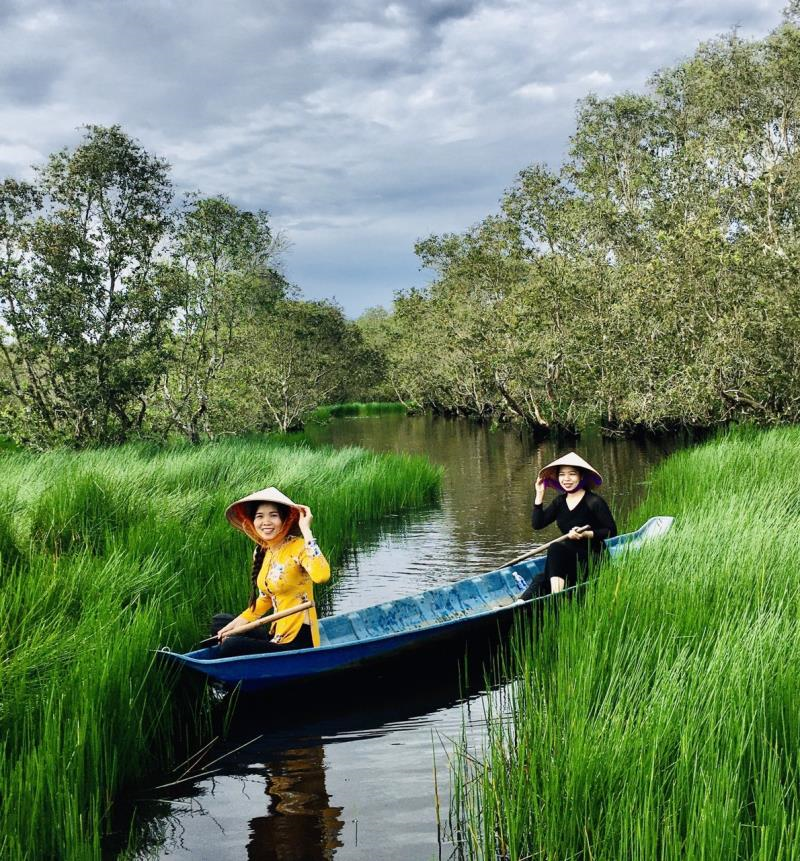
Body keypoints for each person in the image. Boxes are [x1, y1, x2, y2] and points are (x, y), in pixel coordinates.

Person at [210, 487, 331, 657]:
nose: (266, 522)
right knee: (220, 622)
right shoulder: (261, 551)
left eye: (273, 515)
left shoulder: (299, 546)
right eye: (260, 516)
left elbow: (322, 576)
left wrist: (306, 530)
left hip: (298, 638)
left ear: (284, 520)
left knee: (231, 645)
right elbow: (265, 599)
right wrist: (235, 626)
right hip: (276, 633)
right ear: (253, 521)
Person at [520, 452, 617, 600]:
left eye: (572, 474)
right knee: (541, 578)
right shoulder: (560, 502)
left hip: (594, 559)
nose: (566, 479)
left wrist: (586, 534)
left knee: (556, 548)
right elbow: (537, 524)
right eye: (562, 474)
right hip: (571, 560)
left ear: (581, 476)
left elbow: (611, 531)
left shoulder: (594, 502)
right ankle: (518, 604)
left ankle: (556, 599)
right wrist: (539, 495)